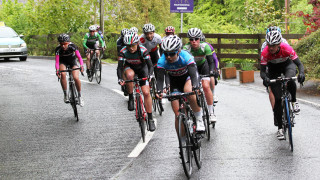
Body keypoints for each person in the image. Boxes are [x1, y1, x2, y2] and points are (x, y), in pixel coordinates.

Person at [260, 30, 305, 140]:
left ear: (279, 44)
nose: (271, 48)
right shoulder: (265, 52)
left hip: (287, 65)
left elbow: (299, 64)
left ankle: (294, 101)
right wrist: (265, 78)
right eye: (269, 45)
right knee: (278, 99)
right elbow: (262, 71)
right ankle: (280, 128)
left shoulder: (286, 48)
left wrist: (302, 73)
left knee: (290, 80)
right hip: (273, 69)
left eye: (274, 45)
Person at [156, 35, 205, 132]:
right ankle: (182, 141)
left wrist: (196, 86)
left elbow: (193, 73)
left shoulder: (185, 56)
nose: (169, 57)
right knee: (177, 114)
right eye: (166, 54)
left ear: (178, 51)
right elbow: (160, 79)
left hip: (188, 78)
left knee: (189, 91)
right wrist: (159, 91)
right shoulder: (162, 61)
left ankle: (199, 119)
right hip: (174, 82)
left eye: (172, 53)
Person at [117, 32, 156, 132]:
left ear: (137, 43)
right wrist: (120, 78)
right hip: (130, 67)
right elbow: (120, 67)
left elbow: (150, 65)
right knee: (129, 76)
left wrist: (150, 75)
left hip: (142, 68)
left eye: (133, 45)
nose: (131, 48)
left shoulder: (143, 50)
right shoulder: (123, 51)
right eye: (128, 46)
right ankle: (131, 98)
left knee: (146, 92)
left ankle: (150, 118)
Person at [183, 28, 216, 123]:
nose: (194, 42)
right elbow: (185, 64)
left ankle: (211, 113)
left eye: (196, 39)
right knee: (192, 88)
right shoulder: (186, 48)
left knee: (206, 86)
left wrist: (211, 72)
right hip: (192, 68)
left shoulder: (205, 46)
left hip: (203, 66)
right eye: (191, 39)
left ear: (200, 39)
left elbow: (211, 62)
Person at [261, 26, 289, 111]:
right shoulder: (265, 45)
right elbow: (264, 61)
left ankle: (277, 111)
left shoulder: (283, 42)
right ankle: (276, 111)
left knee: (286, 81)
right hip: (272, 65)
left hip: (282, 63)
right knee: (272, 87)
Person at [55, 34, 85, 107]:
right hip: (63, 62)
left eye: (65, 44)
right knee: (63, 74)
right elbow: (57, 61)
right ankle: (65, 94)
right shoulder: (58, 49)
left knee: (76, 77)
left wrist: (81, 66)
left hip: (72, 62)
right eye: (61, 44)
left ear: (68, 42)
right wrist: (57, 70)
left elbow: (79, 57)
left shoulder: (73, 46)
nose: (63, 46)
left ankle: (80, 96)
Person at [200, 34, 220, 103]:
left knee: (211, 75)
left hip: (208, 64)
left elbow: (215, 59)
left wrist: (217, 69)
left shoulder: (208, 46)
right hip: (197, 65)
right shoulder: (192, 47)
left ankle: (213, 94)